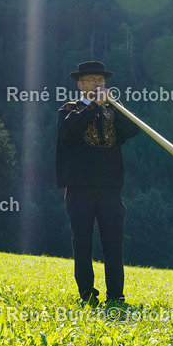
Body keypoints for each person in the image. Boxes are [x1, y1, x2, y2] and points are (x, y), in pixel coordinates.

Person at [56, 61, 140, 304]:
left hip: (110, 188)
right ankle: (86, 295)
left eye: (101, 80)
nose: (98, 84)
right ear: (80, 85)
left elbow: (132, 129)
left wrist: (115, 107)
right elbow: (69, 132)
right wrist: (94, 105)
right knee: (82, 244)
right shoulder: (68, 110)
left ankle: (116, 295)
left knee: (114, 244)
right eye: (93, 80)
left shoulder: (113, 109)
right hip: (79, 188)